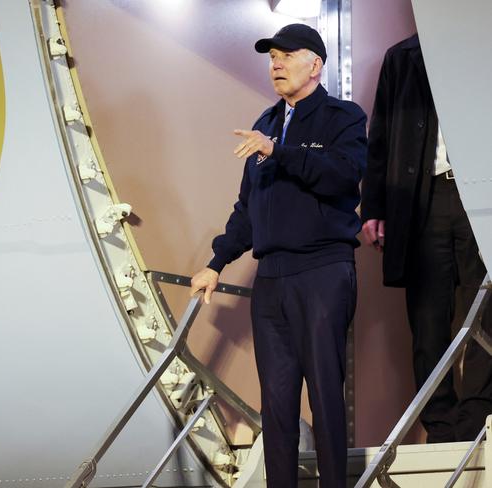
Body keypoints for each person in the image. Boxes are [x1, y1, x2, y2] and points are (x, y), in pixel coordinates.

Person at [190, 24, 367, 488]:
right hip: (271, 280)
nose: (276, 63)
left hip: (322, 271)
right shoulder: (265, 123)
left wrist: (280, 152)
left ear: (316, 64)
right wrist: (216, 263)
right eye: (272, 56)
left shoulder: (342, 117)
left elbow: (342, 177)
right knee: (278, 402)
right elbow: (248, 208)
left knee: (326, 393)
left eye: (287, 55)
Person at [361, 33, 492, 443]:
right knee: (427, 318)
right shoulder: (403, 55)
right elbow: (380, 138)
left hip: (482, 192)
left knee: (485, 309)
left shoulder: (482, 41)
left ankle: (478, 415)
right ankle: (440, 422)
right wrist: (374, 208)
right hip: (424, 198)